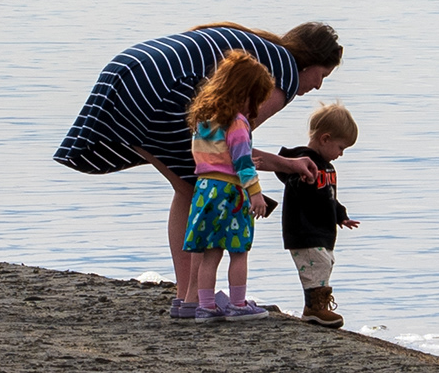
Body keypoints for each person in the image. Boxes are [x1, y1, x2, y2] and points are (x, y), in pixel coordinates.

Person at [53, 20, 344, 290]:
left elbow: (222, 143)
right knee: (200, 185)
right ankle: (194, 293)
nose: (318, 85)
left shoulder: (263, 49)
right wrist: (271, 177)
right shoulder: (284, 74)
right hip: (155, 86)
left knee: (188, 185)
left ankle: (189, 292)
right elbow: (231, 148)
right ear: (308, 63)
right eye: (322, 75)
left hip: (127, 69)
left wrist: (286, 164)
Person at [172, 54, 281, 322]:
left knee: (211, 252)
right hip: (230, 194)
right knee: (238, 250)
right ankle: (238, 303)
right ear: (246, 94)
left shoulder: (204, 120)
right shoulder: (238, 123)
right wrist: (255, 194)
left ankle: (205, 306)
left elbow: (212, 159)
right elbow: (243, 164)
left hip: (204, 190)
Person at [278, 102, 358, 327]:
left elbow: (328, 197)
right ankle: (315, 307)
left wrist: (340, 215)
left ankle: (315, 306)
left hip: (322, 230)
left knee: (325, 263)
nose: (341, 154)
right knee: (318, 265)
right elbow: (289, 181)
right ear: (325, 139)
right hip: (304, 229)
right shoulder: (303, 163)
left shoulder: (327, 168)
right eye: (340, 147)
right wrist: (302, 180)